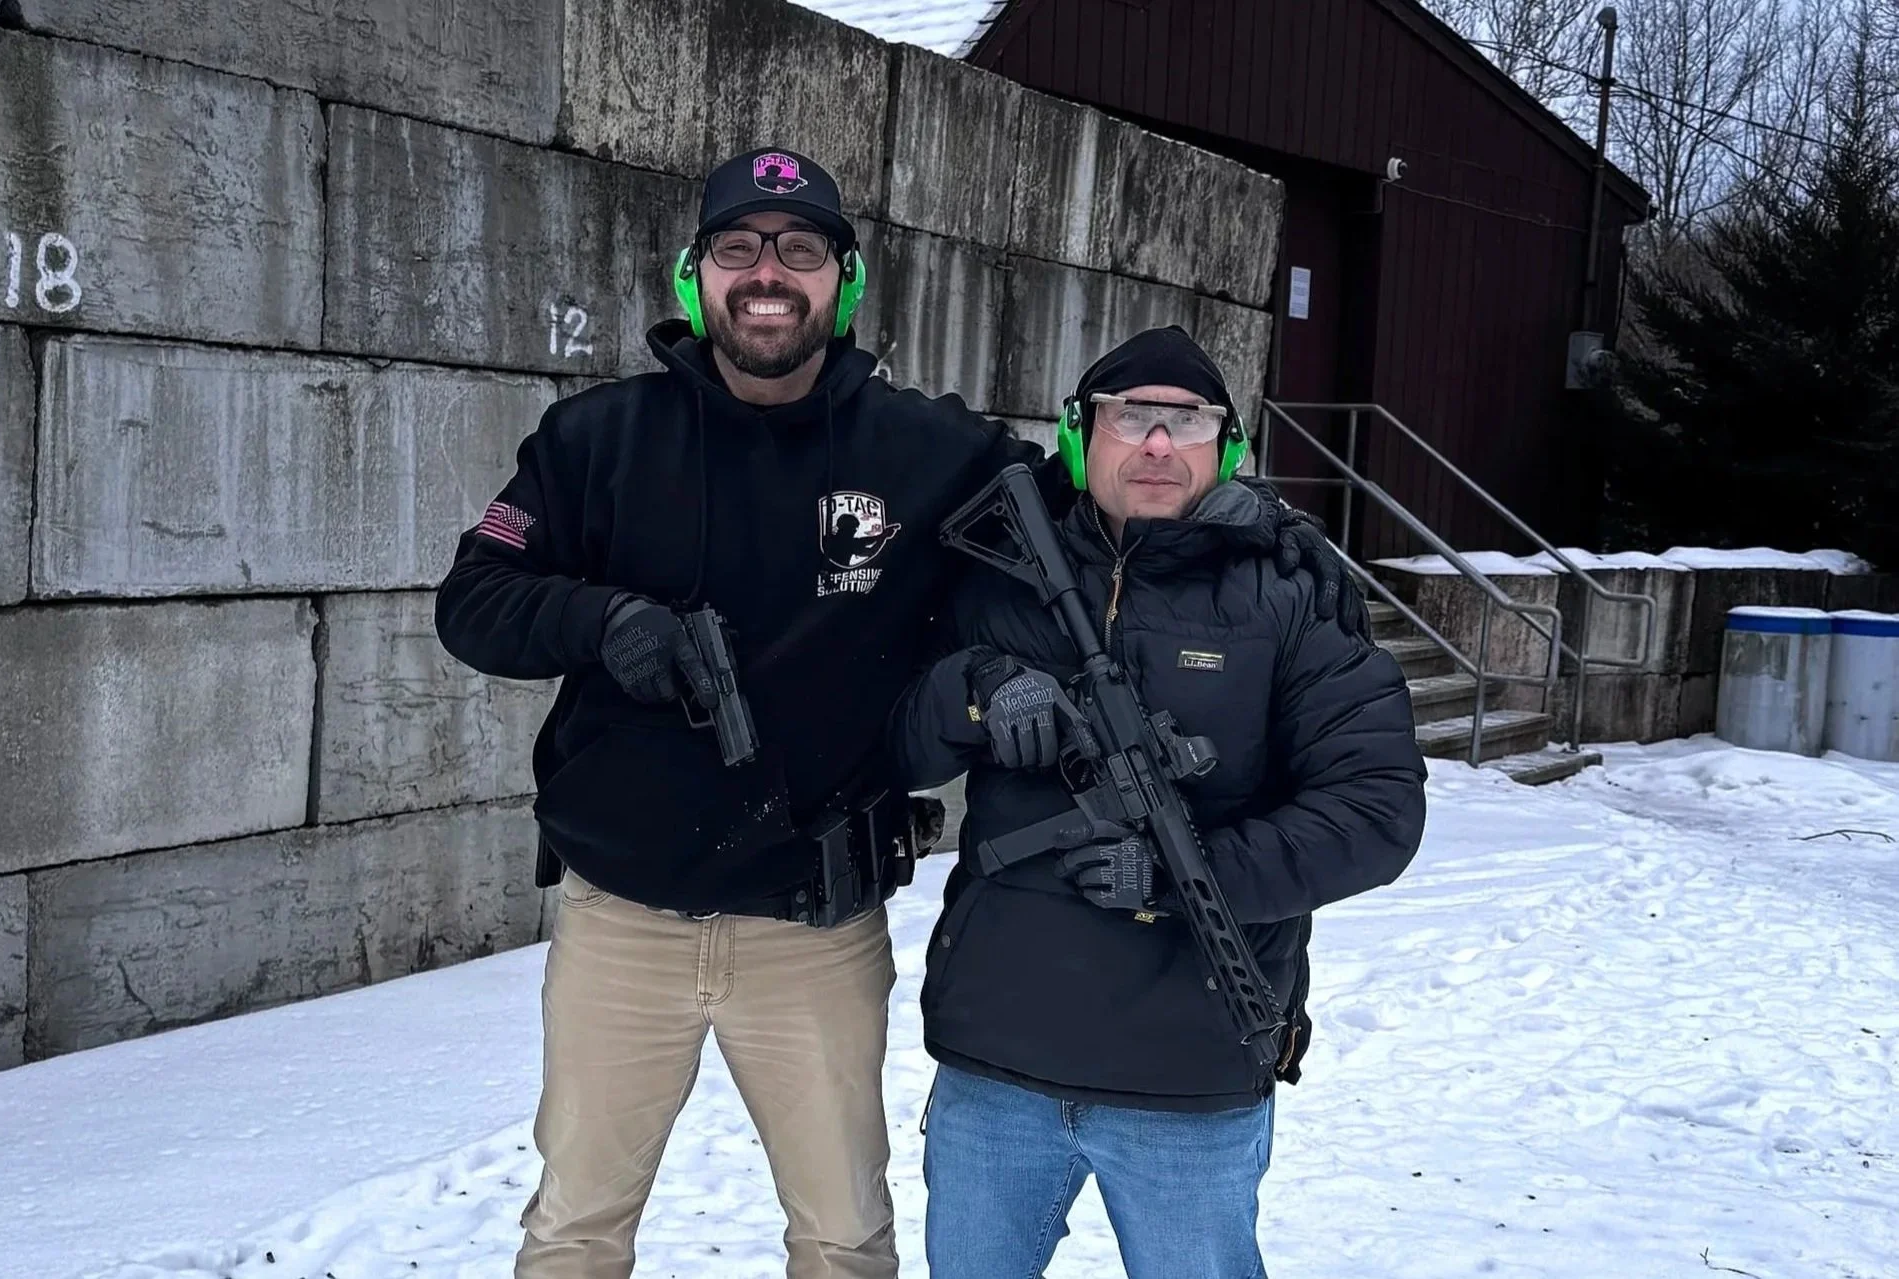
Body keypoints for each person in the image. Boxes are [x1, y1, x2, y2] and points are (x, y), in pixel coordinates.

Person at [435, 145, 1365, 1279]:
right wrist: (600, 620)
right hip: (619, 919)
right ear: (694, 274)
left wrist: (1261, 529)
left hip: (814, 930)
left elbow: (1112, 480)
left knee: (843, 1239)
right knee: (574, 1231)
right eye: (737, 247)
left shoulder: (929, 451)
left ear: (845, 281)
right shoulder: (595, 439)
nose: (767, 273)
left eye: (800, 250)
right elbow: (473, 602)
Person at [892, 327, 1428, 1279]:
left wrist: (1188, 877)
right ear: (1078, 433)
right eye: (1128, 416)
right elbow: (890, 743)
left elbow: (1375, 810)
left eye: (1185, 422)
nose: (1154, 443)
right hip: (995, 1059)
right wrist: (974, 689)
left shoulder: (1289, 594)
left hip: (1191, 1071)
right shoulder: (992, 569)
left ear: (1225, 445)